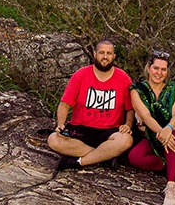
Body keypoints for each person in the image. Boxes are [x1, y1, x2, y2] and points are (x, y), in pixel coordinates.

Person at [47, 39, 134, 170]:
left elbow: (130, 109)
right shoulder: (80, 75)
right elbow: (64, 104)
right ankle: (105, 156)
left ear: (114, 56)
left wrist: (127, 125)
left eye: (109, 53)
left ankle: (79, 162)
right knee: (53, 139)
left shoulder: (123, 78)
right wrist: (60, 124)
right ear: (95, 54)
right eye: (102, 53)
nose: (105, 57)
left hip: (109, 131)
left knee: (126, 140)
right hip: (81, 129)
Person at [128, 50, 175, 205]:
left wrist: (168, 129)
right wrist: (162, 134)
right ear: (149, 68)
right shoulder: (137, 89)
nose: (159, 73)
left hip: (174, 133)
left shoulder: (172, 88)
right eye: (156, 68)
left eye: (163, 69)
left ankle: (171, 186)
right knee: (135, 157)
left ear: (167, 71)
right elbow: (146, 116)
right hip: (150, 136)